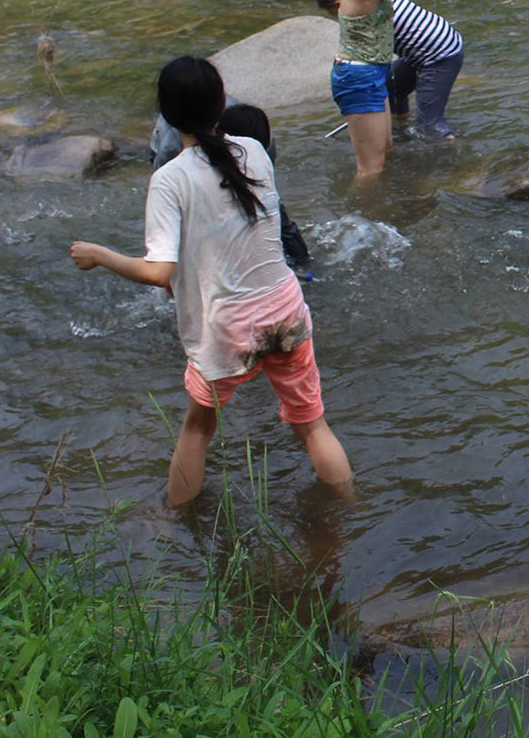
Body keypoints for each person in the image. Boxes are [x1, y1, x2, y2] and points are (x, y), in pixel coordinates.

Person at [70, 56, 352, 506]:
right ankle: (349, 511)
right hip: (286, 308)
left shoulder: (169, 180)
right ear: (222, 104)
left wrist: (99, 256)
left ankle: (175, 521)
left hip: (228, 326)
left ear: (164, 114)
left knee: (198, 429)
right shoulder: (254, 152)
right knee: (312, 424)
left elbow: (158, 271)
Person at [153, 97, 311, 276]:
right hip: (181, 153)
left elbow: (272, 210)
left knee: (274, 215)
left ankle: (304, 263)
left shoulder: (262, 149)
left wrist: (304, 267)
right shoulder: (174, 153)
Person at [331, 0, 438, 176]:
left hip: (370, 72)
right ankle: (362, 215)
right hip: (358, 75)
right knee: (370, 168)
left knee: (385, 150)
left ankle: (375, 212)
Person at [317, 0, 465, 140]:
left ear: (339, 3)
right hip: (421, 51)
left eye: (333, 13)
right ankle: (400, 127)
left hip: (440, 56)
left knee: (429, 125)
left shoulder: (369, 15)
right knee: (391, 88)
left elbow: (375, 62)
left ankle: (451, 151)